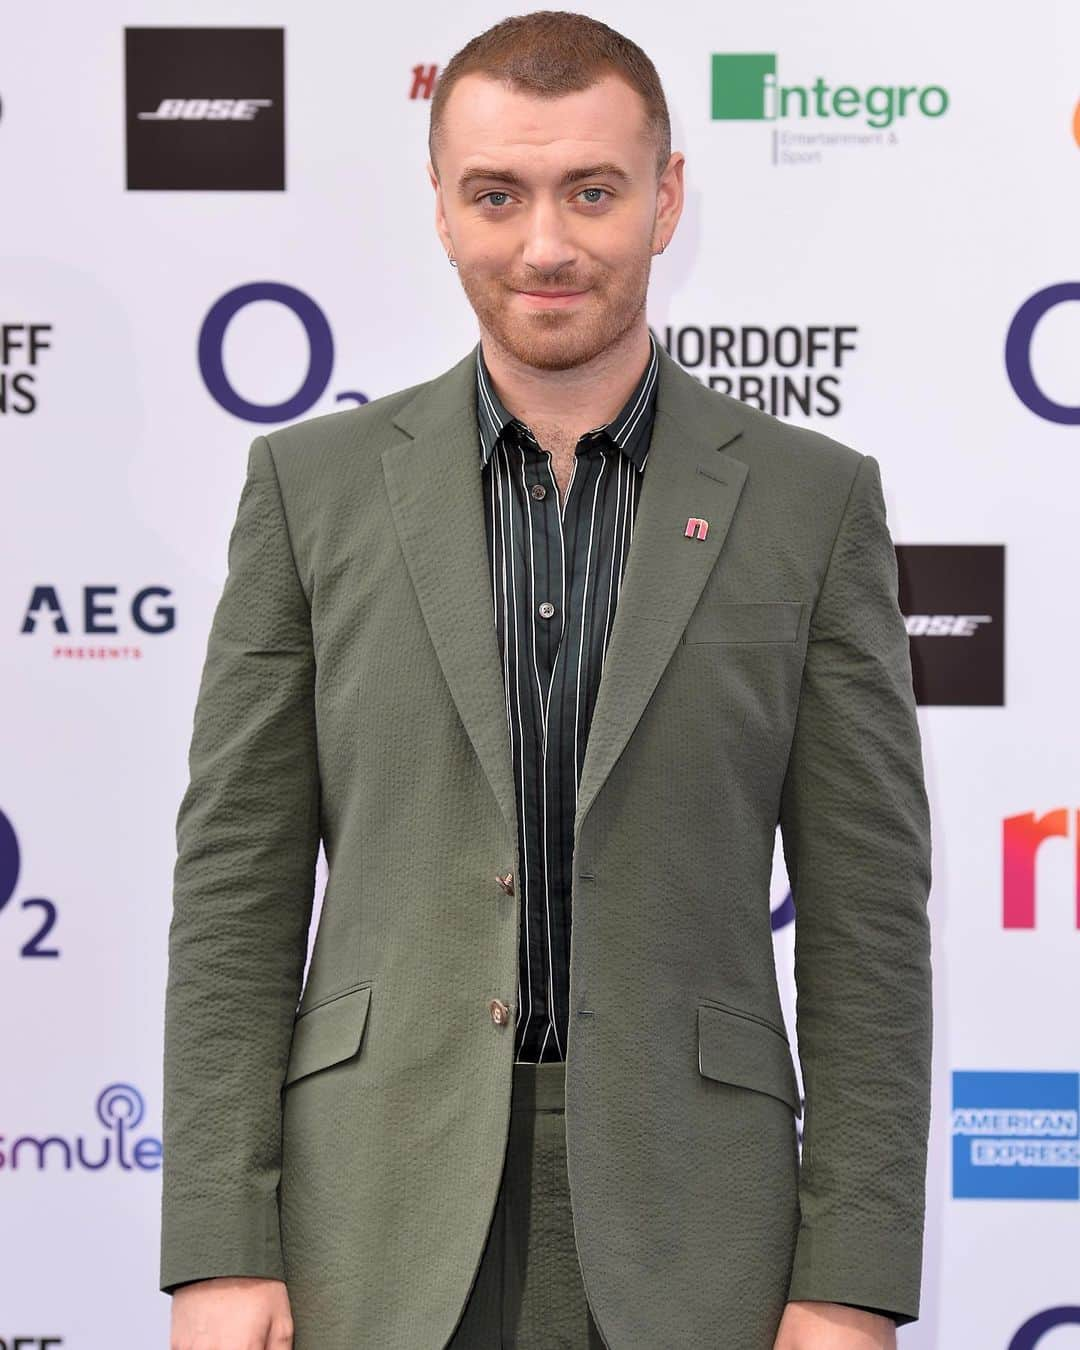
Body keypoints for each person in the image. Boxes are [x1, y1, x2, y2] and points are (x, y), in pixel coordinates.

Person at [160, 11, 933, 1350]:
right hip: (375, 1215)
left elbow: (870, 929)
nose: (547, 245)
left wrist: (851, 1277)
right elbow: (238, 888)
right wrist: (223, 1246)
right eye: (497, 195)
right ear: (444, 209)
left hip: (705, 1230)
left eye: (592, 190)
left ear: (666, 196)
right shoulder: (312, 490)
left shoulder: (814, 505)